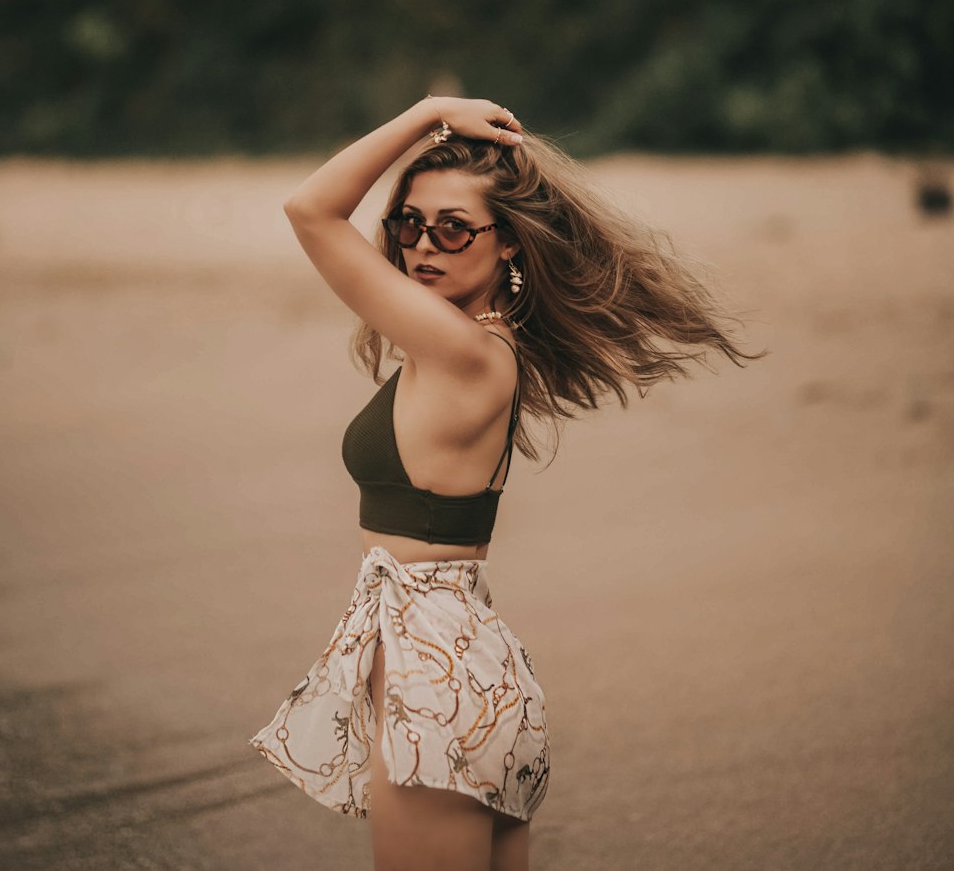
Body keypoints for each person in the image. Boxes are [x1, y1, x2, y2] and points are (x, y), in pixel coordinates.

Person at [250, 96, 758, 871]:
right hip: (467, 669)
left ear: (511, 245)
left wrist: (428, 113)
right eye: (407, 224)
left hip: (437, 687)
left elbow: (310, 210)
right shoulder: (475, 346)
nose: (424, 245)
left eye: (453, 228)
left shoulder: (461, 351)